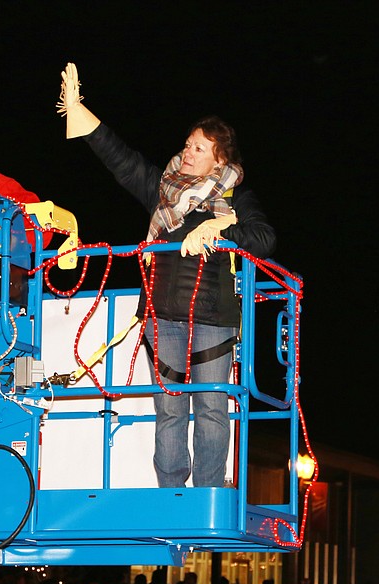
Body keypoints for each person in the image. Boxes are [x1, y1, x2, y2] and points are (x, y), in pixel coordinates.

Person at [58, 62, 277, 488]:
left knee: (213, 407)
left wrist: (221, 228)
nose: (188, 151)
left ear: (220, 158)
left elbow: (265, 238)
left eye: (199, 147)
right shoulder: (163, 189)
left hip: (215, 319)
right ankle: (172, 492)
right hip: (162, 316)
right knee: (169, 406)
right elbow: (121, 160)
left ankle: (210, 492)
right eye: (188, 144)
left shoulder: (236, 197)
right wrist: (81, 113)